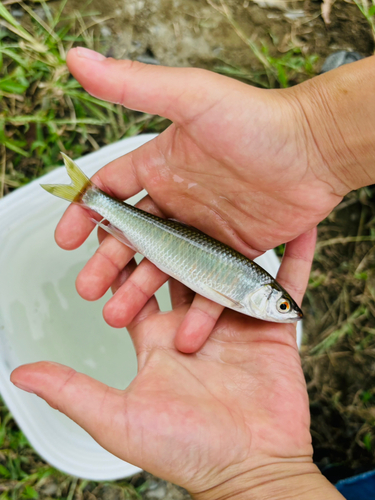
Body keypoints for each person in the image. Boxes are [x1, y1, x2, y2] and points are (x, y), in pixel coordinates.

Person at [13, 47, 375, 499]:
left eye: (285, 306)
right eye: (283, 304)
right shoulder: (249, 292)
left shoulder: (250, 295)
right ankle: (92, 200)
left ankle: (93, 201)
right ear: (267, 294)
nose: (286, 311)